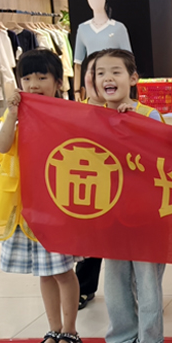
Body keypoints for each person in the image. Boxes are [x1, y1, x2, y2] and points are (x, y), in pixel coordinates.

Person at [0, 49, 83, 343]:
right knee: (45, 272)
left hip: (57, 205)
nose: (33, 84)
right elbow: (2, 146)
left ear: (58, 82)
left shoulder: (68, 113)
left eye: (42, 77)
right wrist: (12, 114)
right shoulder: (17, 114)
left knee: (62, 271)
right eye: (27, 77)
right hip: (28, 206)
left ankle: (70, 331)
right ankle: (53, 329)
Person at [92, 49, 167, 343]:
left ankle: (150, 342)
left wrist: (135, 122)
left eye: (116, 72)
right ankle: (123, 340)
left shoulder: (149, 115)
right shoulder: (91, 116)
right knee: (115, 281)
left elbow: (162, 158)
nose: (107, 78)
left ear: (133, 78)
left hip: (146, 214)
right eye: (100, 73)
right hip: (110, 214)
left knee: (148, 281)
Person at [76, 50, 104, 310]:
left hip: (124, 188)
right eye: (93, 72)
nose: (98, 79)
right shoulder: (73, 112)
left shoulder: (131, 111)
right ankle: (83, 288)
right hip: (88, 185)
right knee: (88, 242)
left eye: (105, 72)